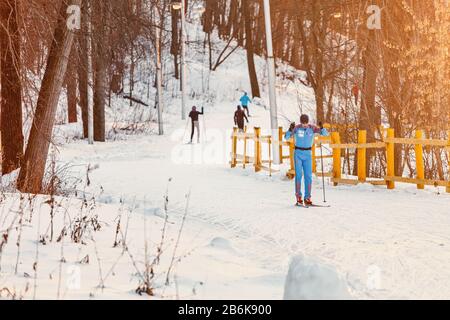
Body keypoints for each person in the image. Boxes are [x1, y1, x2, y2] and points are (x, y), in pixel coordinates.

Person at [284, 114, 329, 206]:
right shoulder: (296, 128)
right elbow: (287, 137)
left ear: (308, 122)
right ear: (300, 122)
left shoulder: (312, 128)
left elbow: (325, 134)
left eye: (306, 123)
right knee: (299, 175)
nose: (304, 125)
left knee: (308, 176)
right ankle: (298, 197)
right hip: (298, 153)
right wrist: (290, 129)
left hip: (308, 154)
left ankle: (307, 197)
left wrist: (322, 127)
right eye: (303, 123)